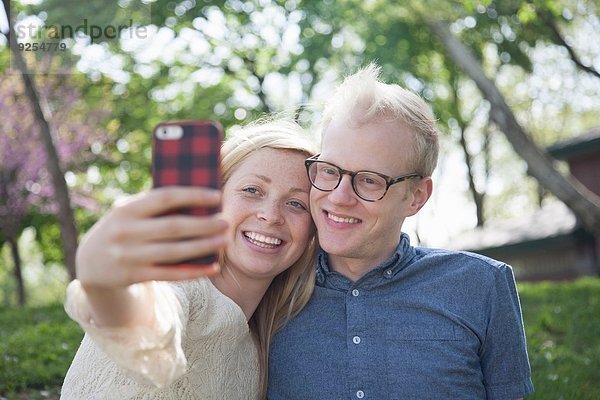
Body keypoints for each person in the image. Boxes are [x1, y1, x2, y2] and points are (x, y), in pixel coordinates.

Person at [268, 64, 534, 399]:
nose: (338, 197)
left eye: (369, 180)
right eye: (329, 171)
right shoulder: (272, 287)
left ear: (416, 196)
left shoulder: (482, 286)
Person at [60, 118, 319, 400]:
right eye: (252, 190)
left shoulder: (258, 348)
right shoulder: (181, 284)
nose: (271, 215)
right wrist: (103, 281)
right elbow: (148, 323)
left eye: (296, 204)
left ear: (312, 233)